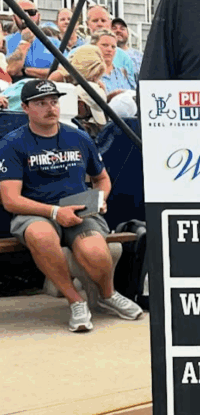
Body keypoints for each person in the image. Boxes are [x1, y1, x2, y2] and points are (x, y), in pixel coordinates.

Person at [0, 79, 144, 331]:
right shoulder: (12, 143)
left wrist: (99, 199)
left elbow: (101, 179)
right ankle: (75, 300)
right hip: (35, 212)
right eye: (41, 103)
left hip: (79, 209)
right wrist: (55, 212)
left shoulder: (77, 137)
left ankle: (108, 295)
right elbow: (11, 200)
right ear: (25, 108)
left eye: (54, 102)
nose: (50, 108)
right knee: (41, 235)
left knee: (97, 254)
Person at [5, 0, 63, 80]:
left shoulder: (55, 43)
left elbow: (63, 72)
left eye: (32, 12)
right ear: (14, 18)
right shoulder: (6, 41)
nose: (27, 16)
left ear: (39, 16)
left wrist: (26, 71)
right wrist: (25, 42)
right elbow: (11, 70)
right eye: (21, 13)